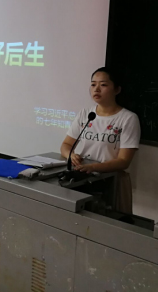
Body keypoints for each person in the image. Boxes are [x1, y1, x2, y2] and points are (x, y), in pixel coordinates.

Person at [60, 67, 141, 213]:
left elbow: (124, 161)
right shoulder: (86, 113)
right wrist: (70, 156)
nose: (96, 89)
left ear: (117, 89)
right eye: (93, 84)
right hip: (81, 177)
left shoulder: (128, 118)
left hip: (109, 181)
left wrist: (94, 167)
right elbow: (66, 145)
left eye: (103, 85)